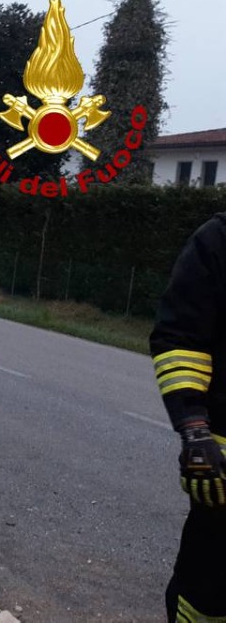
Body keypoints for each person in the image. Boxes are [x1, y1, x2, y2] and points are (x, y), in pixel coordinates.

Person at [149, 212, 226, 622]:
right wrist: (195, 430)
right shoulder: (217, 243)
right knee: (205, 599)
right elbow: (180, 339)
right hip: (222, 478)